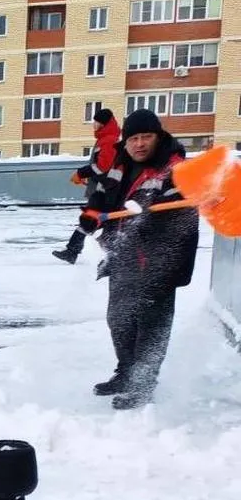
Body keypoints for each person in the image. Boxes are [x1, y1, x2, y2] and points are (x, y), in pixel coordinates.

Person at [80, 109, 198, 410]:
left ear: (158, 137)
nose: (140, 144)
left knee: (152, 325)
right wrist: (92, 214)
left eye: (146, 137)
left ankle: (143, 384)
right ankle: (126, 372)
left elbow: (182, 213)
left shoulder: (175, 168)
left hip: (160, 261)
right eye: (134, 138)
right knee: (119, 320)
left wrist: (152, 210)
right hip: (124, 256)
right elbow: (104, 194)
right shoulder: (121, 162)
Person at [53, 108, 121, 264]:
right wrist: (87, 177)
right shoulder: (106, 138)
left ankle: (113, 256)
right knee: (97, 220)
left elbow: (103, 167)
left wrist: (81, 173)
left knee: (94, 219)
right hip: (104, 187)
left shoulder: (109, 140)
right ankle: (74, 251)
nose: (93, 124)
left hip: (106, 189)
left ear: (102, 123)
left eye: (96, 122)